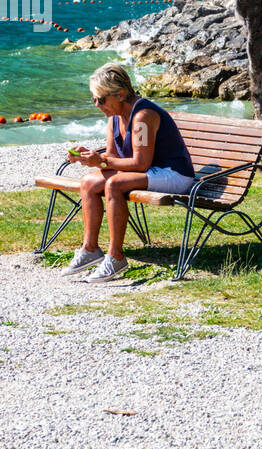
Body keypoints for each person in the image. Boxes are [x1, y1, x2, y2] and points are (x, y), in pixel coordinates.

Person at [60, 62, 196, 283]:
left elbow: (140, 164)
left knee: (114, 184)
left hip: (174, 174)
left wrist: (101, 161)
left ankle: (116, 257)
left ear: (121, 94)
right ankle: (90, 249)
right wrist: (92, 158)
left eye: (101, 99)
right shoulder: (114, 117)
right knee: (88, 183)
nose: (97, 104)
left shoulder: (142, 116)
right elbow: (114, 159)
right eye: (94, 98)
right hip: (151, 170)